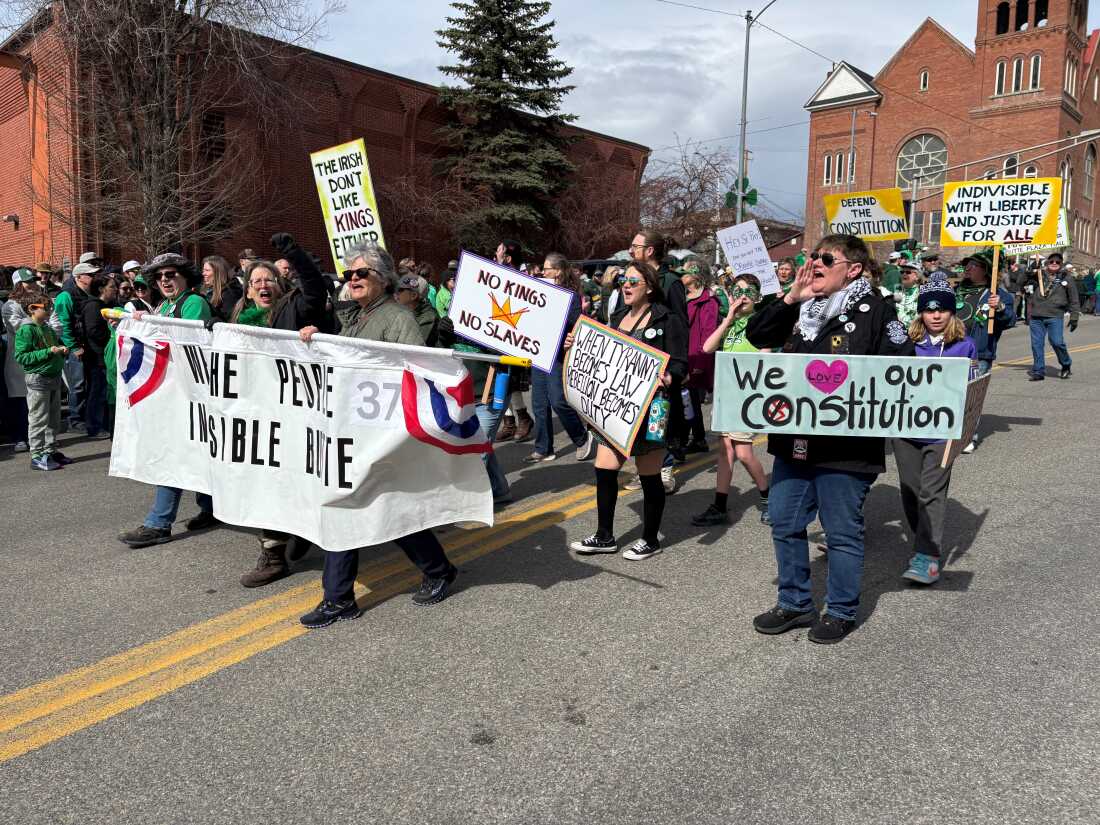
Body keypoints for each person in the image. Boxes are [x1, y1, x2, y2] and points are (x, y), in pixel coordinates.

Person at [746, 234, 914, 644]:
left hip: (847, 448)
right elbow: (755, 335)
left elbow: (902, 365)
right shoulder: (801, 307)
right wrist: (789, 299)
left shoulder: (877, 309)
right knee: (784, 521)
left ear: (853, 269)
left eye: (825, 258)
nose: (813, 263)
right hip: (795, 441)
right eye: (811, 256)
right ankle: (795, 603)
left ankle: (840, 610)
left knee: (841, 532)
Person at [297, 241, 460, 628]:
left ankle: (338, 598)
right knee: (384, 508)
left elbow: (420, 372)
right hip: (353, 429)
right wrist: (315, 339)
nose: (351, 280)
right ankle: (437, 569)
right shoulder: (355, 317)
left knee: (348, 505)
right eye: (347, 275)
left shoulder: (397, 319)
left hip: (382, 432)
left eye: (359, 274)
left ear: (382, 279)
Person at [567, 261, 688, 561]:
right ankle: (605, 536)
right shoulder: (618, 316)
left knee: (649, 476)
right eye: (623, 279)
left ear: (649, 285)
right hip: (617, 411)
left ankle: (650, 539)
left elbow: (681, 363)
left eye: (634, 280)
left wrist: (671, 375)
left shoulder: (666, 319)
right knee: (604, 469)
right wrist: (573, 343)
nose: (627, 285)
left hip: (653, 410)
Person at [118, 253, 217, 548]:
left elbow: (189, 346)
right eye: (160, 277)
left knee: (172, 454)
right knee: (197, 452)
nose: (164, 280)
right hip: (174, 391)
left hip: (191, 390)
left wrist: (149, 326)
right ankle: (212, 507)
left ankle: (159, 523)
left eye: (171, 274)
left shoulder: (193, 303)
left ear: (185, 277)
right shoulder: (164, 305)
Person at [893, 274, 977, 585]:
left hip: (943, 430)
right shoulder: (908, 344)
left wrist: (967, 429)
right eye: (929, 310)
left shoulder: (964, 346)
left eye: (942, 310)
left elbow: (973, 391)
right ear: (921, 313)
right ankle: (921, 541)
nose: (936, 315)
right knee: (910, 491)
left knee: (931, 492)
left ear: (951, 312)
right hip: (905, 428)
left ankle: (927, 556)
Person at [692, 273, 771, 527]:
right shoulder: (731, 323)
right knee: (725, 451)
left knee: (744, 453)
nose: (743, 296)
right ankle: (719, 505)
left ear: (758, 297)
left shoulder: (761, 323)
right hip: (726, 395)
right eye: (737, 292)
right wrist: (728, 318)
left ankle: (768, 498)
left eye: (748, 292)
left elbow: (765, 360)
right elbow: (707, 347)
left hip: (746, 396)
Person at [526, 252, 595, 463]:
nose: (542, 272)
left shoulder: (570, 295)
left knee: (557, 400)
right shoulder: (539, 291)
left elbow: (577, 323)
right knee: (538, 403)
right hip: (540, 352)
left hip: (557, 355)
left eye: (546, 269)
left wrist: (566, 334)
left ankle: (582, 438)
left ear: (557, 271)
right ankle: (543, 448)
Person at [13, 288, 70, 470]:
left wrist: (61, 349)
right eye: (46, 307)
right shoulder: (26, 330)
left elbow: (53, 347)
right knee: (38, 418)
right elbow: (21, 357)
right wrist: (48, 351)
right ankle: (37, 454)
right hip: (38, 378)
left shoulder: (47, 328)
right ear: (32, 308)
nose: (50, 310)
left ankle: (50, 450)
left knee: (54, 418)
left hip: (53, 376)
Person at [492, 240, 535, 444]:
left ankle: (523, 417)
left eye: (499, 252)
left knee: (512, 381)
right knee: (500, 379)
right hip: (496, 333)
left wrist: (499, 265)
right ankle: (509, 422)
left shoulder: (520, 278)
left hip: (513, 336)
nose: (495, 254)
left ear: (508, 258)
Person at [54, 260, 97, 431]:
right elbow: (63, 325)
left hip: (89, 345)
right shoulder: (66, 295)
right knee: (77, 384)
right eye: (91, 275)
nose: (94, 277)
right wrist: (73, 347)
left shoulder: (90, 293)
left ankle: (86, 416)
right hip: (75, 348)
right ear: (79, 277)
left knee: (88, 383)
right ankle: (75, 419)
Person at [681, 264, 720, 452]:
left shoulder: (708, 301)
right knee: (690, 400)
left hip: (696, 357)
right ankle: (697, 438)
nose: (681, 272)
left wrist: (701, 362)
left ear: (696, 276)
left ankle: (681, 442)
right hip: (682, 355)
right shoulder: (680, 295)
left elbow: (708, 333)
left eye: (685, 270)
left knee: (688, 399)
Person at [1025, 251, 1079, 381]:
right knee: (1036, 344)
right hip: (1037, 315)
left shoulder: (1067, 278)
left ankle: (1066, 364)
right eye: (1051, 261)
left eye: (1057, 262)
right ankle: (1039, 371)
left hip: (1055, 315)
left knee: (1057, 342)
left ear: (1061, 264)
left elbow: (1074, 298)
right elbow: (1021, 281)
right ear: (1047, 263)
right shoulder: (1039, 274)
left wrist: (1074, 317)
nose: (1054, 263)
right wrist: (1032, 267)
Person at [79, 275, 115, 439]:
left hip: (102, 356)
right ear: (101, 289)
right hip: (96, 357)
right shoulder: (94, 306)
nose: (114, 290)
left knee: (102, 391)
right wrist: (112, 335)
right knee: (96, 392)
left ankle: (102, 424)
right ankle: (94, 426)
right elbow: (94, 331)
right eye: (111, 287)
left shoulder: (104, 306)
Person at [3, 275, 32, 451]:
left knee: (35, 401)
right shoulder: (9, 306)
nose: (33, 284)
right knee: (19, 400)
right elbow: (19, 328)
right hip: (17, 360)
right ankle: (19, 437)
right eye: (29, 281)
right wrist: (38, 319)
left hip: (37, 357)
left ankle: (35, 437)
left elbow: (54, 325)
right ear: (19, 284)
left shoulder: (37, 302)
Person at [394, 274, 440, 347]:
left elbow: (414, 348)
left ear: (413, 296)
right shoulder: (403, 311)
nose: (396, 293)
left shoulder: (428, 318)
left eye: (400, 290)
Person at [201, 255, 244, 321]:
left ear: (218, 272)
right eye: (203, 270)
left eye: (207, 270)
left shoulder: (230, 293)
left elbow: (232, 318)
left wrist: (219, 320)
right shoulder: (207, 290)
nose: (203, 273)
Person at [894, 259, 922, 325]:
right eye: (902, 272)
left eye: (908, 272)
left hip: (916, 330)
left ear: (917, 276)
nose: (904, 274)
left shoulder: (922, 291)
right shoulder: (897, 289)